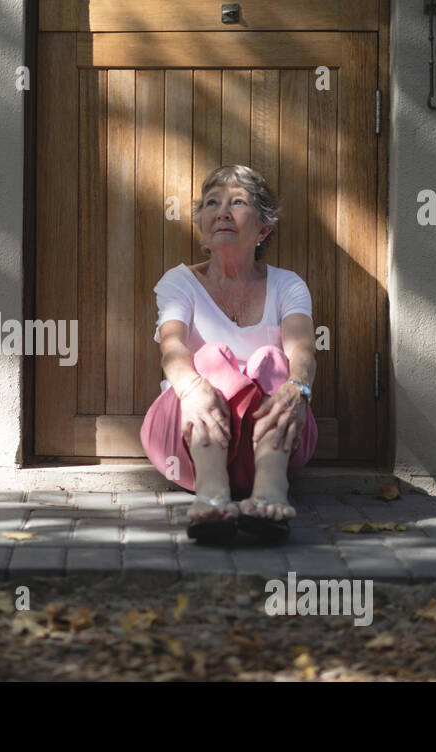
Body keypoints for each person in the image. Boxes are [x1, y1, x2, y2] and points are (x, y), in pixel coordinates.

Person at [139, 164, 318, 543]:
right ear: (203, 229)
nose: (221, 211)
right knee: (210, 357)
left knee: (271, 361)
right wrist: (191, 388)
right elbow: (171, 346)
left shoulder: (288, 285)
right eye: (212, 203)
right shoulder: (179, 282)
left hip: (273, 447)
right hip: (185, 442)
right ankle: (211, 494)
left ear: (263, 229)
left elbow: (302, 349)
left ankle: (270, 493)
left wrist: (298, 388)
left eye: (237, 202)